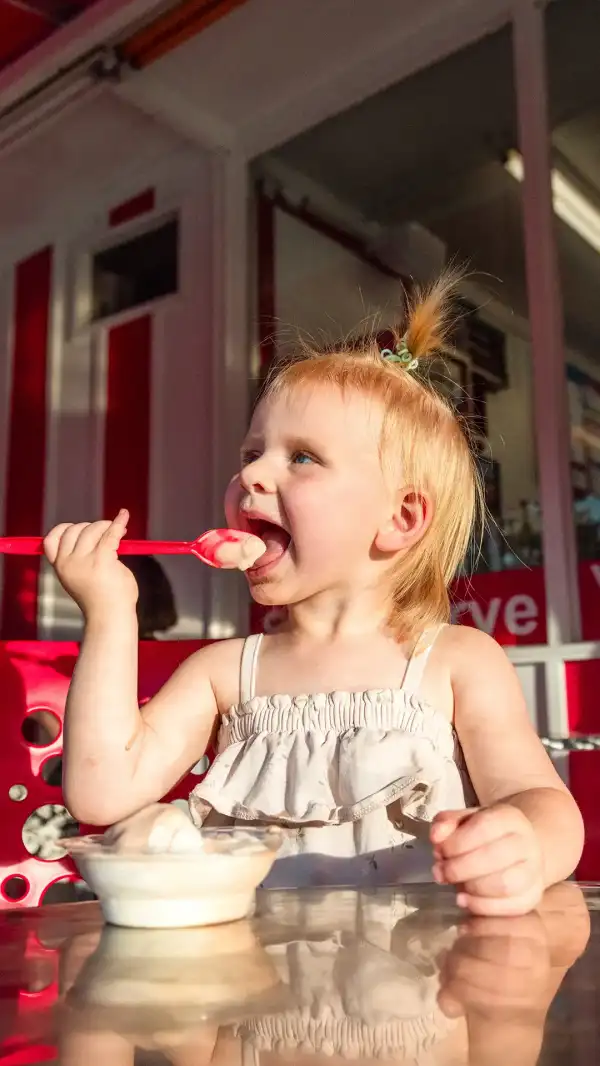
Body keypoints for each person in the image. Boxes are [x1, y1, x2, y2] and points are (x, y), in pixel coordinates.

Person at [43, 272, 583, 915]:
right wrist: (108, 612)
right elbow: (102, 794)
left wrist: (523, 844)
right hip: (256, 1001)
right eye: (252, 451)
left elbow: (545, 805)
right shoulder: (222, 674)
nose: (249, 473)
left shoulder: (456, 661)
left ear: (401, 518)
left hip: (414, 996)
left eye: (301, 457)